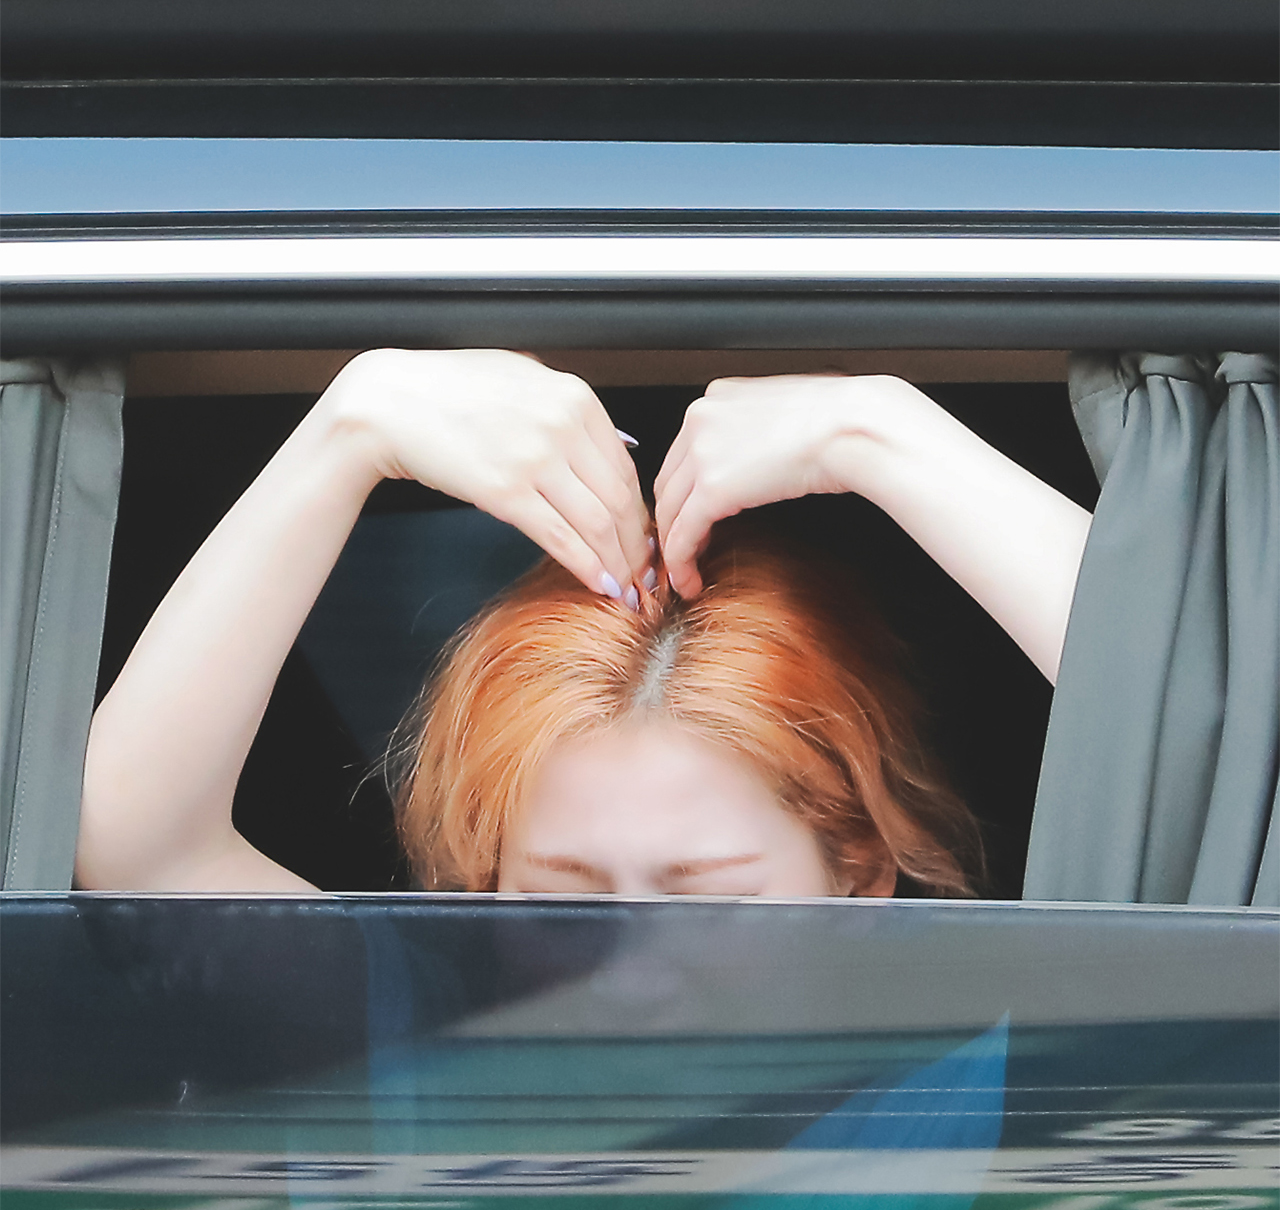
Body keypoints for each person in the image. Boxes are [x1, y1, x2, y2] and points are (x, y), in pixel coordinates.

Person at [75, 349, 1091, 899]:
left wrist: (882, 433)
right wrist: (353, 425)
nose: (624, 972)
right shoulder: (428, 1046)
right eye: (563, 903)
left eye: (705, 904)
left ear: (858, 878)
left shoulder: (1013, 1070)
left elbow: (1199, 771)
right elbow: (134, 844)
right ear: (487, 886)